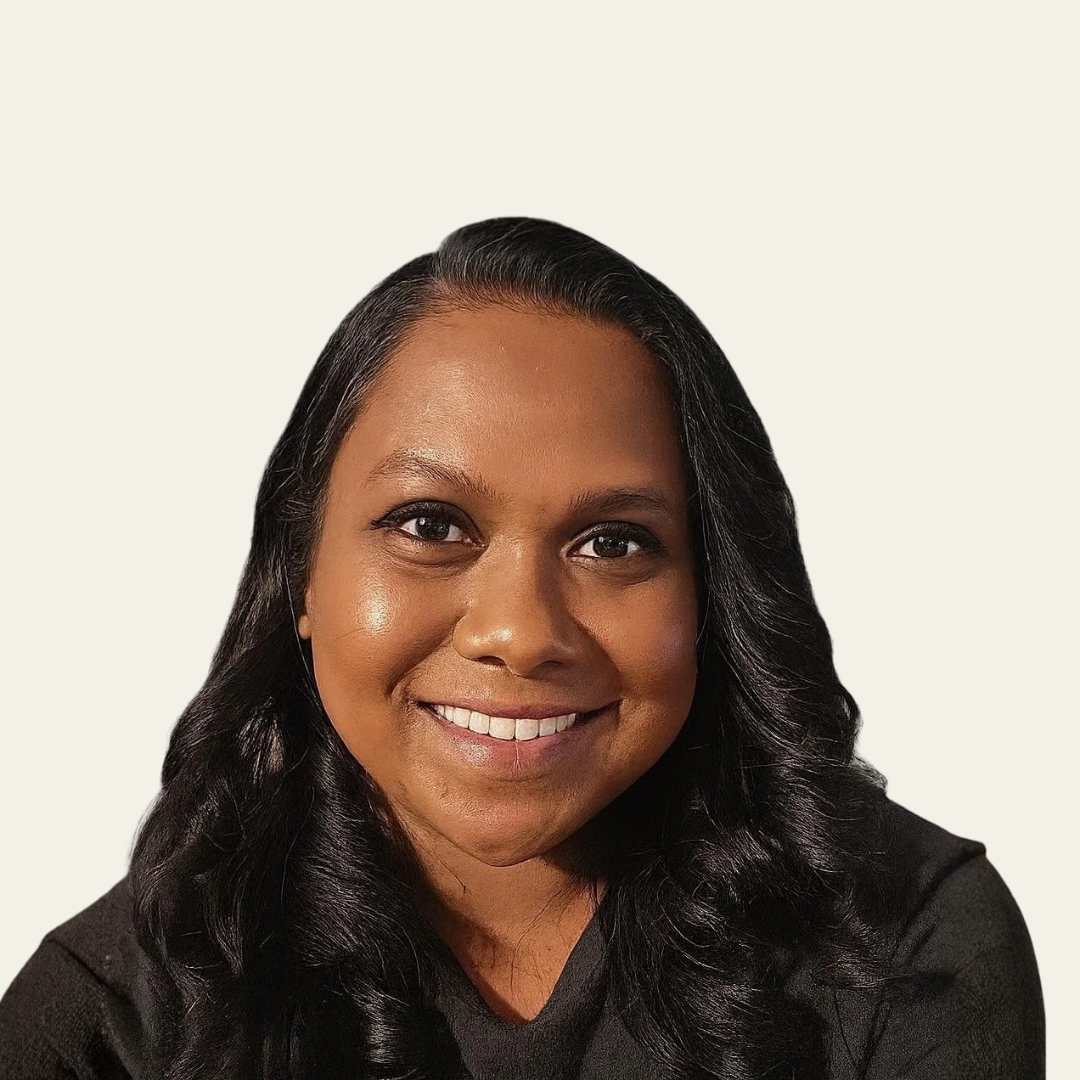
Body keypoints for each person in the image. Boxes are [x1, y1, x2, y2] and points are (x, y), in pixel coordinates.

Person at [0, 217, 1044, 1079]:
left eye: (614, 542)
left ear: (714, 590)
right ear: (301, 576)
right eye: (429, 525)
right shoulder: (112, 1019)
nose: (520, 632)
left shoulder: (908, 942)